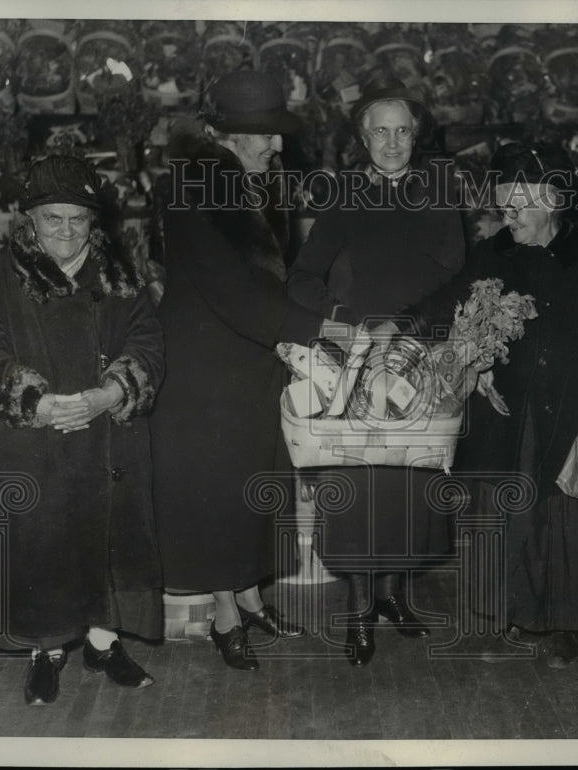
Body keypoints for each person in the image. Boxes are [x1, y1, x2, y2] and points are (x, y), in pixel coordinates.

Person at [412, 141, 578, 668]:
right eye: (502, 204)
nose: (507, 214)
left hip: (570, 413)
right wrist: (403, 324)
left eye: (517, 204)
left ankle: (566, 625)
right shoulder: (494, 252)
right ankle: (507, 615)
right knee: (506, 514)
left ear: (553, 202)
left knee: (564, 522)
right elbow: (452, 298)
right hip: (505, 414)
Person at [0, 155, 165, 705]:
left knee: (108, 545)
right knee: (46, 547)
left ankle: (103, 645)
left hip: (108, 442)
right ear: (30, 220)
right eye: (53, 219)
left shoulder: (120, 275)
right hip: (37, 444)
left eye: (78, 219)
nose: (66, 232)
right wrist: (38, 402)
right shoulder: (1, 275)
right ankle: (46, 653)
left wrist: (111, 393)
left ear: (93, 221)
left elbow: (148, 346)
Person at [150, 71, 330, 672]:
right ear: (223, 134)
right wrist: (317, 329)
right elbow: (235, 290)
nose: (278, 147)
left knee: (257, 480)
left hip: (250, 358)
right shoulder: (191, 188)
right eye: (266, 136)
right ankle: (225, 616)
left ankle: (251, 597)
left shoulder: (254, 180)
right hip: (204, 369)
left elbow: (276, 273)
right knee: (223, 492)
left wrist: (321, 312)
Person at [287, 74, 466, 666]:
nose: (392, 143)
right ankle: (361, 610)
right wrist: (341, 321)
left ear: (418, 136)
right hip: (360, 365)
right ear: (363, 140)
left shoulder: (440, 192)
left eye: (403, 132)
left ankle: (395, 597)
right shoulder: (343, 196)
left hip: (421, 359)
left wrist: (412, 328)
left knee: (410, 487)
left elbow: (457, 277)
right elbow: (302, 278)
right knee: (362, 489)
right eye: (380, 133)